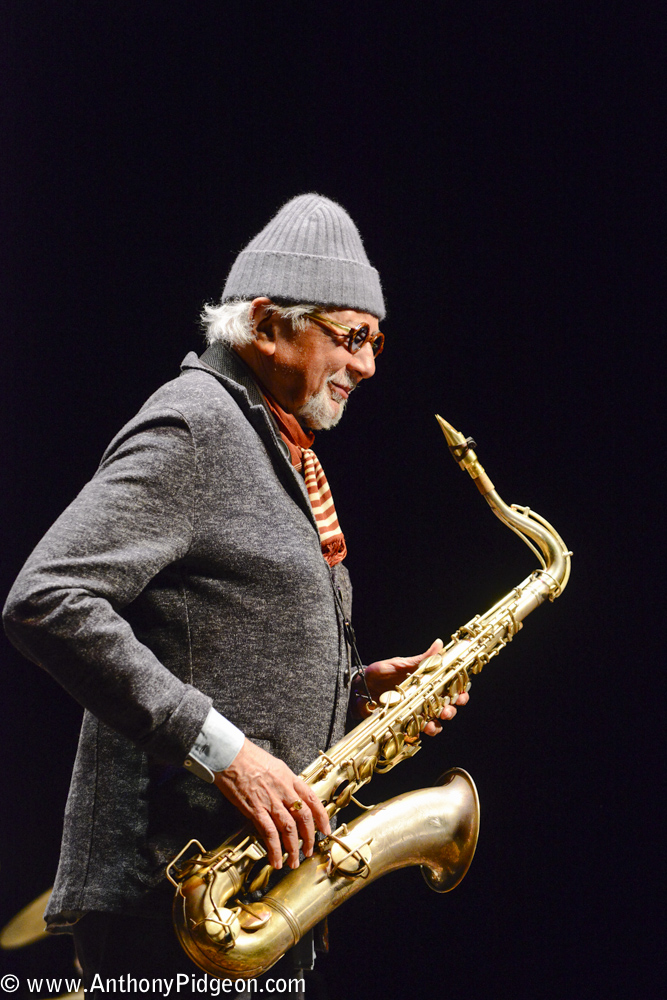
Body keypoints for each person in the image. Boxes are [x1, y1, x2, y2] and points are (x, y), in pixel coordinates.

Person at [3, 194, 467, 994]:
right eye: (350, 337)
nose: (367, 365)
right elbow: (47, 597)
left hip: (249, 896)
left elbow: (211, 634)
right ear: (265, 325)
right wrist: (226, 755)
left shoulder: (275, 443)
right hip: (169, 899)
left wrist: (354, 694)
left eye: (376, 340)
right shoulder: (196, 425)